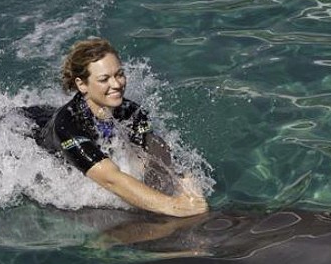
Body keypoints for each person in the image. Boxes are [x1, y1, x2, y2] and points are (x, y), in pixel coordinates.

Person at [25, 38, 209, 218]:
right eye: (104, 79)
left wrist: (190, 193)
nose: (117, 84)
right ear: (82, 84)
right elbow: (110, 179)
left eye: (119, 74)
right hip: (26, 130)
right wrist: (174, 206)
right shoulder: (67, 126)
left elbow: (158, 155)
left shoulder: (131, 111)